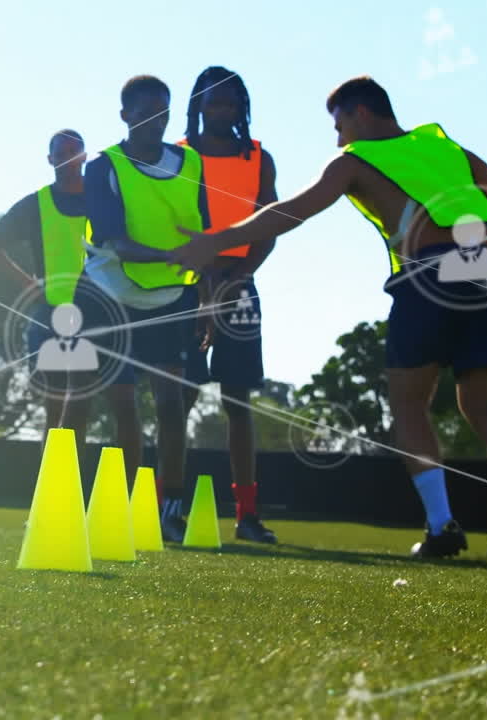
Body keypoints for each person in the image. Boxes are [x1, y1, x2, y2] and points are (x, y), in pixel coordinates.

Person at [170, 76, 487, 561]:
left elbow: (293, 210)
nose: (337, 138)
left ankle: (442, 525)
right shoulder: (443, 146)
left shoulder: (354, 160)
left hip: (428, 276)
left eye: (338, 125)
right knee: (480, 402)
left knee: (407, 405)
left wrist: (214, 240)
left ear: (360, 114)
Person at [81, 75, 210, 542]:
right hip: (112, 297)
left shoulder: (190, 162)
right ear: (125, 116)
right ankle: (123, 510)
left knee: (173, 406)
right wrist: (179, 257)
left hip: (170, 297)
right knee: (124, 406)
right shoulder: (103, 168)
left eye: (164, 111)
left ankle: (169, 512)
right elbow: (119, 245)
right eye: (145, 112)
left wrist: (207, 300)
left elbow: (205, 235)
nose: (156, 120)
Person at [0, 130, 142, 481]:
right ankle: (54, 498)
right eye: (62, 152)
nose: (70, 157)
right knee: (61, 410)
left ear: (85, 156)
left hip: (109, 314)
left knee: (124, 404)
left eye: (76, 151)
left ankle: (131, 504)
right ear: (51, 159)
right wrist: (30, 286)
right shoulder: (35, 204)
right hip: (57, 317)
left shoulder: (106, 199)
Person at [178, 66, 279, 544]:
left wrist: (237, 279)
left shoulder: (259, 158)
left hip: (240, 286)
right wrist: (200, 286)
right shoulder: (176, 156)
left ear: (242, 106)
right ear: (198, 104)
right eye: (214, 101)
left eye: (232, 102)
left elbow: (269, 226)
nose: (223, 109)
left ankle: (247, 515)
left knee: (238, 401)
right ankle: (168, 506)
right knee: (179, 395)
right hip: (185, 287)